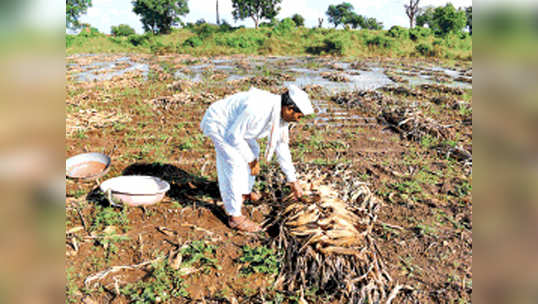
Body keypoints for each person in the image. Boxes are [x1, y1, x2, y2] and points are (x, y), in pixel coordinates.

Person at [200, 84, 314, 232]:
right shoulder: (257, 109)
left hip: (236, 128)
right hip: (221, 123)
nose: (298, 120)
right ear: (289, 108)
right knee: (234, 162)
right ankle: (235, 216)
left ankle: (243, 192)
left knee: (254, 149)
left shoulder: (280, 113)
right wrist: (251, 160)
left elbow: (282, 146)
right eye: (298, 116)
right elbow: (233, 136)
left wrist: (292, 180)